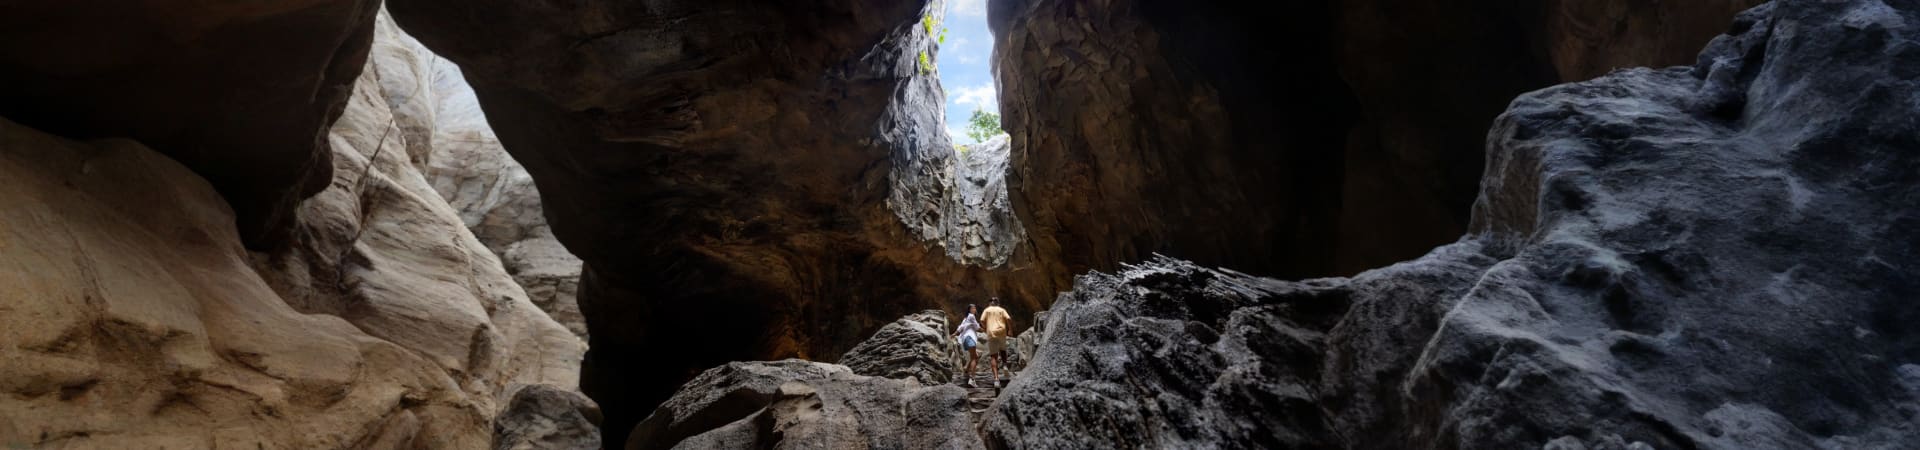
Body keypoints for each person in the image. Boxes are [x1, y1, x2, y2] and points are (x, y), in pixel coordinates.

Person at [979, 297, 1013, 387]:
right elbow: (1009, 319)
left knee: (993, 356)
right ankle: (1005, 366)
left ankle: (996, 379)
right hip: (1002, 332)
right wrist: (1010, 330)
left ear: (990, 303)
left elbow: (981, 320)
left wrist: (986, 328)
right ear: (998, 303)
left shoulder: (987, 310)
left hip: (991, 333)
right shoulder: (1002, 310)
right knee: (1003, 349)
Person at [952, 304, 983, 387]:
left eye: (975, 308)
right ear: (969, 310)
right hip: (969, 338)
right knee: (975, 358)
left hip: (965, 339)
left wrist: (954, 334)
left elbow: (960, 327)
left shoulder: (966, 318)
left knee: (975, 356)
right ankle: (972, 379)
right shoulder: (972, 316)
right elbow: (977, 327)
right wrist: (984, 329)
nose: (974, 309)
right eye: (973, 308)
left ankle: (966, 370)